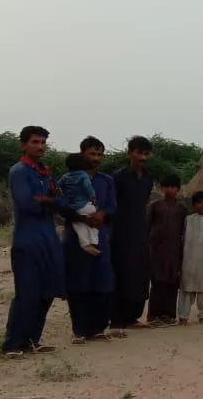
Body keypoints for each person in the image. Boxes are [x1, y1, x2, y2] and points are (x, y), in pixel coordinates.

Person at [4, 126, 64, 357]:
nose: (40, 146)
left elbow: (57, 200)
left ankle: (32, 340)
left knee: (47, 290)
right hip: (27, 239)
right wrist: (51, 201)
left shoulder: (45, 172)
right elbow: (27, 203)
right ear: (24, 145)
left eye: (43, 142)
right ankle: (12, 344)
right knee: (27, 291)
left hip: (48, 237)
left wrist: (46, 200)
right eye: (35, 142)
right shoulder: (19, 171)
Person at [64, 136, 117, 344]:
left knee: (102, 281)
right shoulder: (69, 178)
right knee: (78, 283)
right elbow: (59, 203)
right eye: (92, 154)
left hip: (100, 235)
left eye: (99, 155)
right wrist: (80, 217)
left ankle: (98, 328)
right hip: (76, 237)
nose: (96, 158)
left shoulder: (106, 181)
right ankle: (79, 329)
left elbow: (113, 206)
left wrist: (102, 215)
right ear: (82, 153)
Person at [110, 135, 154, 334]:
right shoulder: (118, 177)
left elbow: (143, 203)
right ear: (130, 153)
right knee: (121, 272)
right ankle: (117, 319)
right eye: (139, 153)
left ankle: (132, 316)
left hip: (139, 230)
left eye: (146, 153)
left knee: (138, 274)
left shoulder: (147, 178)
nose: (143, 157)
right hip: (120, 230)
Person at [146, 174, 189, 326]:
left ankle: (169, 314)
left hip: (175, 249)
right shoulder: (154, 206)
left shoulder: (182, 208)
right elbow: (147, 226)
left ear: (178, 189)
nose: (170, 190)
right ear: (161, 188)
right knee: (157, 282)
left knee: (172, 282)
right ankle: (154, 315)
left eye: (173, 187)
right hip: (157, 248)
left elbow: (185, 229)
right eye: (167, 187)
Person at [179, 191, 203, 324]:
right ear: (194, 205)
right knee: (187, 287)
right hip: (189, 259)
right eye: (199, 202)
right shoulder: (188, 220)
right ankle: (183, 316)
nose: (202, 205)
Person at [57, 153, 100, 256]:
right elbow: (87, 187)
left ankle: (85, 243)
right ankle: (93, 241)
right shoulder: (83, 175)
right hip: (85, 205)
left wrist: (62, 194)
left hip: (72, 206)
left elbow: (57, 186)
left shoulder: (65, 176)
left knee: (78, 224)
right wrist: (93, 197)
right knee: (94, 218)